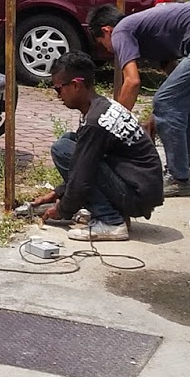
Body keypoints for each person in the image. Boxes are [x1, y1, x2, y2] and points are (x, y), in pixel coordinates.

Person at [87, 0, 190, 198]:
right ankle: (180, 173)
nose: (108, 50)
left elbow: (132, 81)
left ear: (106, 30)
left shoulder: (121, 31)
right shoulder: (147, 31)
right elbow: (175, 78)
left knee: (165, 103)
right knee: (185, 106)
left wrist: (114, 124)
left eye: (102, 42)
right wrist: (155, 120)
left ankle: (178, 178)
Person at [30, 51, 164, 242]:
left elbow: (82, 174)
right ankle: (115, 215)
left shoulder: (95, 122)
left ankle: (110, 221)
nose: (58, 95)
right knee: (71, 140)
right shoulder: (103, 106)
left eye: (58, 89)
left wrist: (63, 209)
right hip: (138, 188)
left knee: (62, 149)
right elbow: (86, 160)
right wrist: (58, 192)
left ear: (76, 85)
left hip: (136, 195)